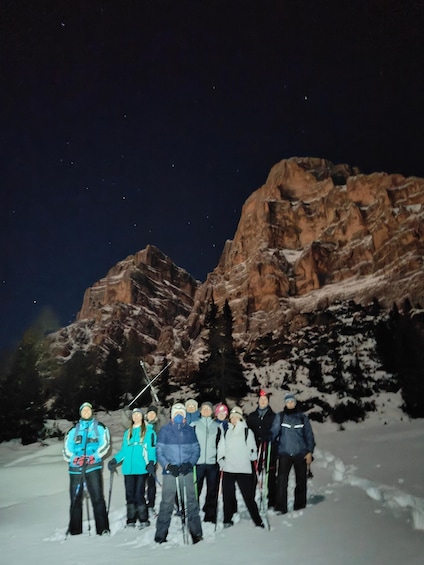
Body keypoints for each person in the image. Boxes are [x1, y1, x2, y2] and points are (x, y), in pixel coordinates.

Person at [154, 403, 203, 544]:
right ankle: (161, 535)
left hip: (186, 471)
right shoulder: (165, 430)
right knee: (167, 503)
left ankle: (196, 532)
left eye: (181, 413)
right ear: (172, 415)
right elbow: (159, 451)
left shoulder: (190, 430)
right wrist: (168, 465)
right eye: (176, 413)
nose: (179, 415)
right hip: (170, 473)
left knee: (191, 502)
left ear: (184, 415)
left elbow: (196, 449)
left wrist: (190, 463)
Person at [63, 402, 110, 535]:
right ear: (80, 413)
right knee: (75, 499)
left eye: (88, 410)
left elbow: (105, 444)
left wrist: (94, 456)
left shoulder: (100, 427)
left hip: (92, 467)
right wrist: (74, 458)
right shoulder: (73, 430)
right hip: (75, 469)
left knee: (97, 498)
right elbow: (66, 449)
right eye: (83, 411)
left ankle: (103, 529)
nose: (86, 412)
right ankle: (75, 530)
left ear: (92, 412)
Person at [108, 408, 156, 528]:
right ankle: (131, 520)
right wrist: (115, 460)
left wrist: (151, 462)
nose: (136, 417)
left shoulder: (149, 432)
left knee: (139, 494)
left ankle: (144, 519)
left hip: (141, 468)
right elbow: (124, 451)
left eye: (138, 414)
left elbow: (152, 450)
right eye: (134, 415)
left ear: (142, 416)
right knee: (129, 495)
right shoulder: (127, 433)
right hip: (128, 469)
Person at [217, 406, 264, 528]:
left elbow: (252, 447)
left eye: (236, 417)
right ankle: (227, 519)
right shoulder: (226, 431)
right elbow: (221, 447)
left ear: (240, 418)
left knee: (248, 497)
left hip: (243, 469)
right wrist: (221, 459)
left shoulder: (247, 431)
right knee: (227, 497)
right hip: (228, 468)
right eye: (232, 417)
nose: (233, 419)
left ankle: (258, 521)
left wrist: (253, 453)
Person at [270, 393, 315, 515]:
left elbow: (309, 436)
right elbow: (274, 432)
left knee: (301, 481)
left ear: (295, 403)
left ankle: (300, 505)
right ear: (285, 403)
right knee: (281, 481)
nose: (290, 404)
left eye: (292, 402)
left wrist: (309, 451)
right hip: (284, 453)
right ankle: (281, 507)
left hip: (300, 453)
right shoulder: (281, 416)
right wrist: (268, 437)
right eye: (288, 402)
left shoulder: (302, 418)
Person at [191, 401, 221, 523]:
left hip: (212, 463)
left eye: (208, 409)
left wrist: (220, 458)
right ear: (200, 410)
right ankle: (194, 513)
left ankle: (210, 515)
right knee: (195, 489)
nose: (206, 411)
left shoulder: (217, 426)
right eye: (204, 409)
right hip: (197, 463)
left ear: (212, 411)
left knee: (212, 490)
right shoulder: (194, 424)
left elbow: (220, 444)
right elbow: (190, 443)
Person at [246, 390, 277, 508]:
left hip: (269, 448)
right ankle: (251, 500)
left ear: (268, 402)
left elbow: (277, 430)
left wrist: (271, 436)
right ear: (258, 401)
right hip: (256, 448)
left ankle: (272, 500)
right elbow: (247, 431)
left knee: (270, 474)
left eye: (265, 400)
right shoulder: (252, 416)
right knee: (254, 474)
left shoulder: (273, 416)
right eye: (261, 399)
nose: (263, 401)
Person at [144, 405, 164, 513]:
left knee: (151, 481)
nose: (151, 415)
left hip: (152, 458)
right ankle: (142, 504)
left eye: (154, 414)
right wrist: (125, 413)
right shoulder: (142, 424)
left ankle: (150, 504)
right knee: (141, 483)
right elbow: (126, 423)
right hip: (141, 458)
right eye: (150, 413)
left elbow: (164, 423)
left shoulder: (158, 425)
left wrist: (161, 414)